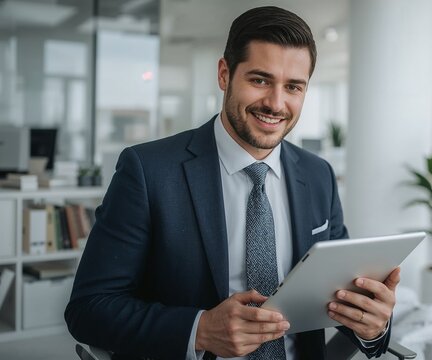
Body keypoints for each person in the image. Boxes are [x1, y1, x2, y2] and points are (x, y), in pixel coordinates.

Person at [65, 6, 399, 360]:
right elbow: (89, 308)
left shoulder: (319, 176)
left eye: (293, 87)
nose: (275, 103)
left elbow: (338, 298)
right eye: (260, 80)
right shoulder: (148, 171)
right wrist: (200, 329)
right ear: (224, 74)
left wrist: (372, 324)